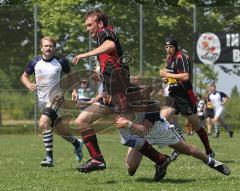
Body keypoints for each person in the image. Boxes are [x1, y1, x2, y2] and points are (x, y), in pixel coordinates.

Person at [71, 9, 170, 174]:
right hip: (110, 95)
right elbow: (116, 72)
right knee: (81, 121)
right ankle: (97, 159)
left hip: (120, 95)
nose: (87, 29)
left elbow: (110, 45)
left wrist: (85, 55)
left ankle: (161, 159)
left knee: (128, 139)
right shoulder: (102, 42)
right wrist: (102, 81)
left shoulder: (105, 32)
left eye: (90, 25)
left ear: (100, 23)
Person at [115, 100, 230, 181]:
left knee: (186, 149)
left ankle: (212, 162)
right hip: (139, 132)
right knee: (131, 168)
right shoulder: (123, 101)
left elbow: (144, 130)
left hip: (159, 131)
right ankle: (162, 163)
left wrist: (128, 124)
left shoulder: (152, 106)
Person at [20, 36, 83, 167]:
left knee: (43, 123)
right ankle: (77, 143)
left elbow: (72, 75)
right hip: (42, 100)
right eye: (46, 46)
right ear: (41, 48)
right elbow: (24, 76)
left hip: (56, 97)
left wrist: (74, 90)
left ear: (54, 48)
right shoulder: (34, 62)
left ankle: (49, 158)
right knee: (59, 130)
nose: (48, 48)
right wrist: (28, 84)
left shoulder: (60, 61)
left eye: (51, 46)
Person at [159, 36, 215, 158]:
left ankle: (209, 150)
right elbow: (172, 76)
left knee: (196, 126)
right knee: (161, 119)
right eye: (166, 47)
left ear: (176, 47)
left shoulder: (182, 57)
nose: (168, 49)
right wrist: (166, 78)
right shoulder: (170, 58)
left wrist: (167, 74)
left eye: (171, 47)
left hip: (185, 97)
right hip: (173, 95)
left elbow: (185, 76)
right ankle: (179, 143)